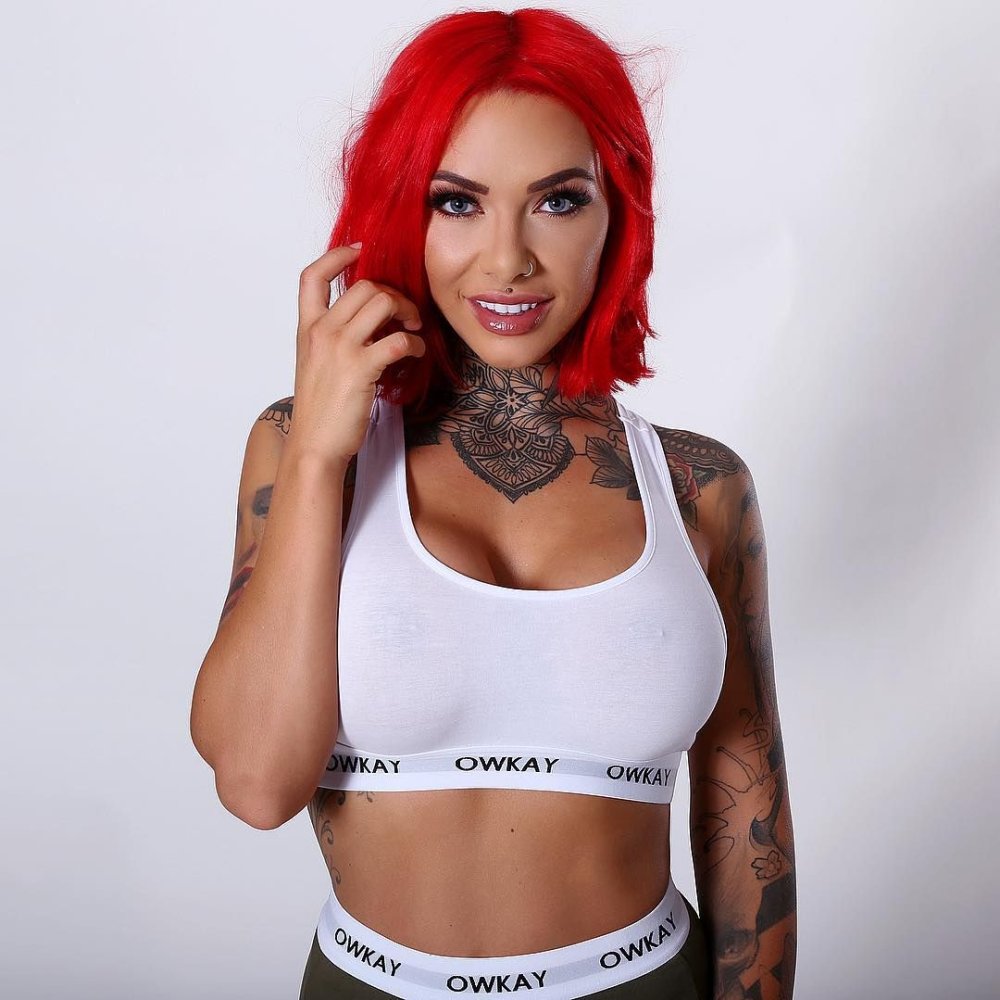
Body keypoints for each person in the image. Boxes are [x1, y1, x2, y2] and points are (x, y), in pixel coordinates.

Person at [190, 8, 796, 999]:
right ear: (401, 210)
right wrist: (320, 456)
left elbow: (748, 797)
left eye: (557, 200)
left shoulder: (701, 485)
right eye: (456, 202)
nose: (508, 258)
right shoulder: (299, 449)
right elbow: (256, 784)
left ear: (617, 213)